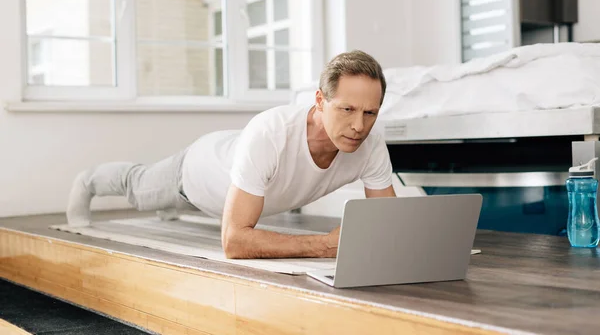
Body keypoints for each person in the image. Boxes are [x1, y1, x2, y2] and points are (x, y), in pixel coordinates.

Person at [66, 50, 396, 259]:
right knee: (138, 188)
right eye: (347, 109)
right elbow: (234, 241)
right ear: (320, 102)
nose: (358, 125)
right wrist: (322, 245)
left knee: (164, 204)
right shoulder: (272, 133)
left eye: (370, 113)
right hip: (195, 173)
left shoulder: (371, 144)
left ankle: (166, 210)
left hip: (237, 161)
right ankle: (87, 181)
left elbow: (389, 226)